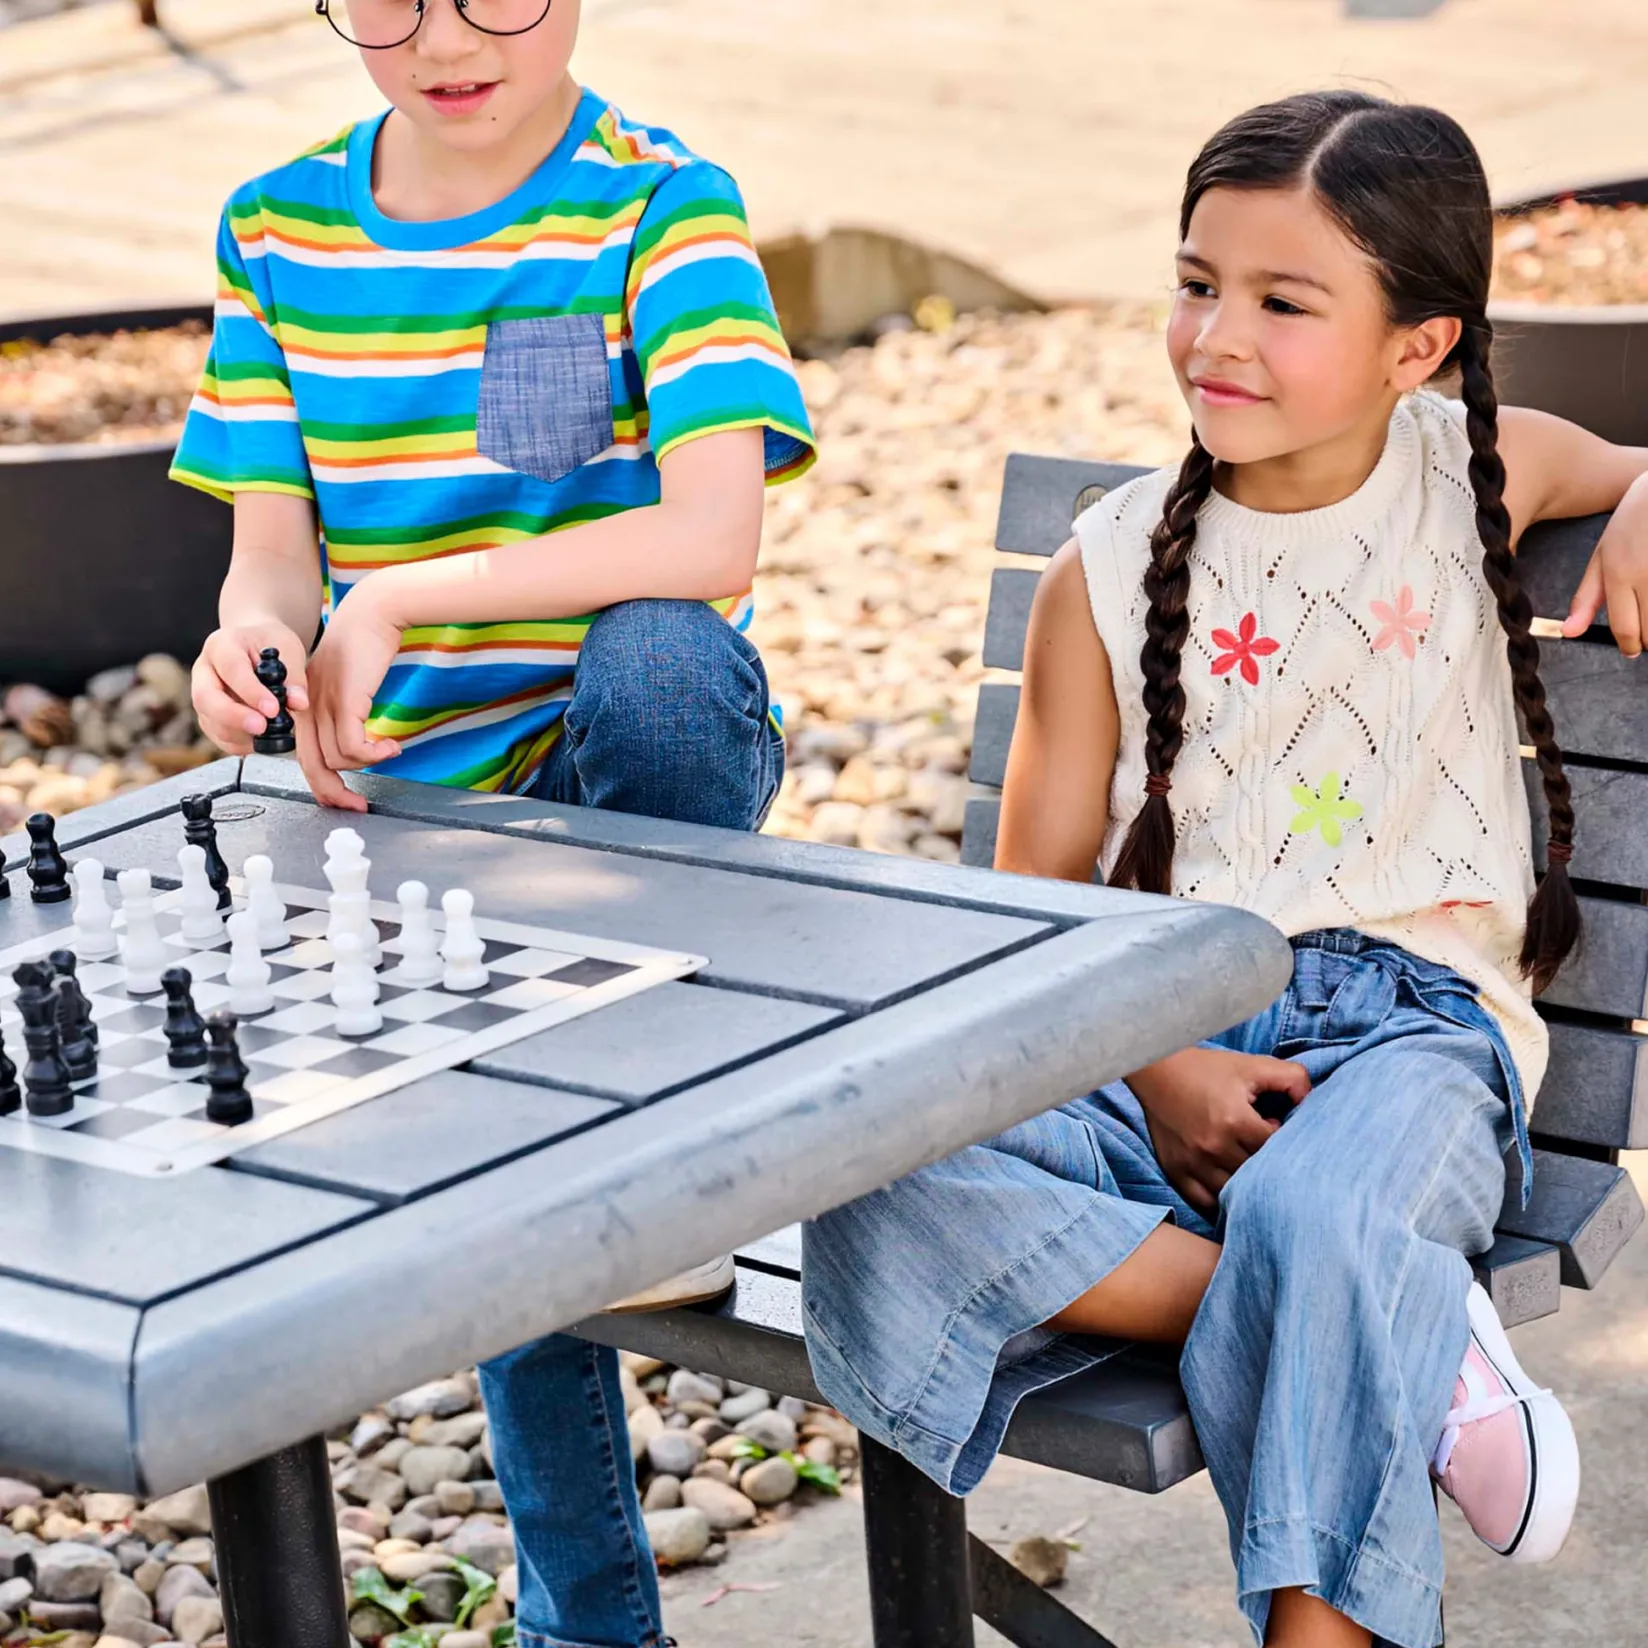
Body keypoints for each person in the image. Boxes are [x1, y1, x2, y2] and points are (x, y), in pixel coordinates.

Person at [802, 92, 1648, 1648]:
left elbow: (1639, 464)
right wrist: (1153, 1064)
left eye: (1281, 301)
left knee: (1328, 1210)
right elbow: (1029, 918)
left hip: (1413, 1041)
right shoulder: (1108, 565)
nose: (1216, 336)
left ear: (1419, 346)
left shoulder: (1479, 470)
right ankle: (1401, 1324)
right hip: (1158, 1044)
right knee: (866, 1156)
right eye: (1196, 283)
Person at [172, 4, 814, 1644]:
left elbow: (715, 532)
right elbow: (266, 562)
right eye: (388, 0)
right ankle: (584, 1625)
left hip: (637, 799)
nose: (443, 37)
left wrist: (406, 591)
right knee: (523, 1164)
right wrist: (243, 653)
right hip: (422, 825)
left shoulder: (661, 201)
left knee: (665, 667)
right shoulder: (275, 227)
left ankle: (660, 1128)